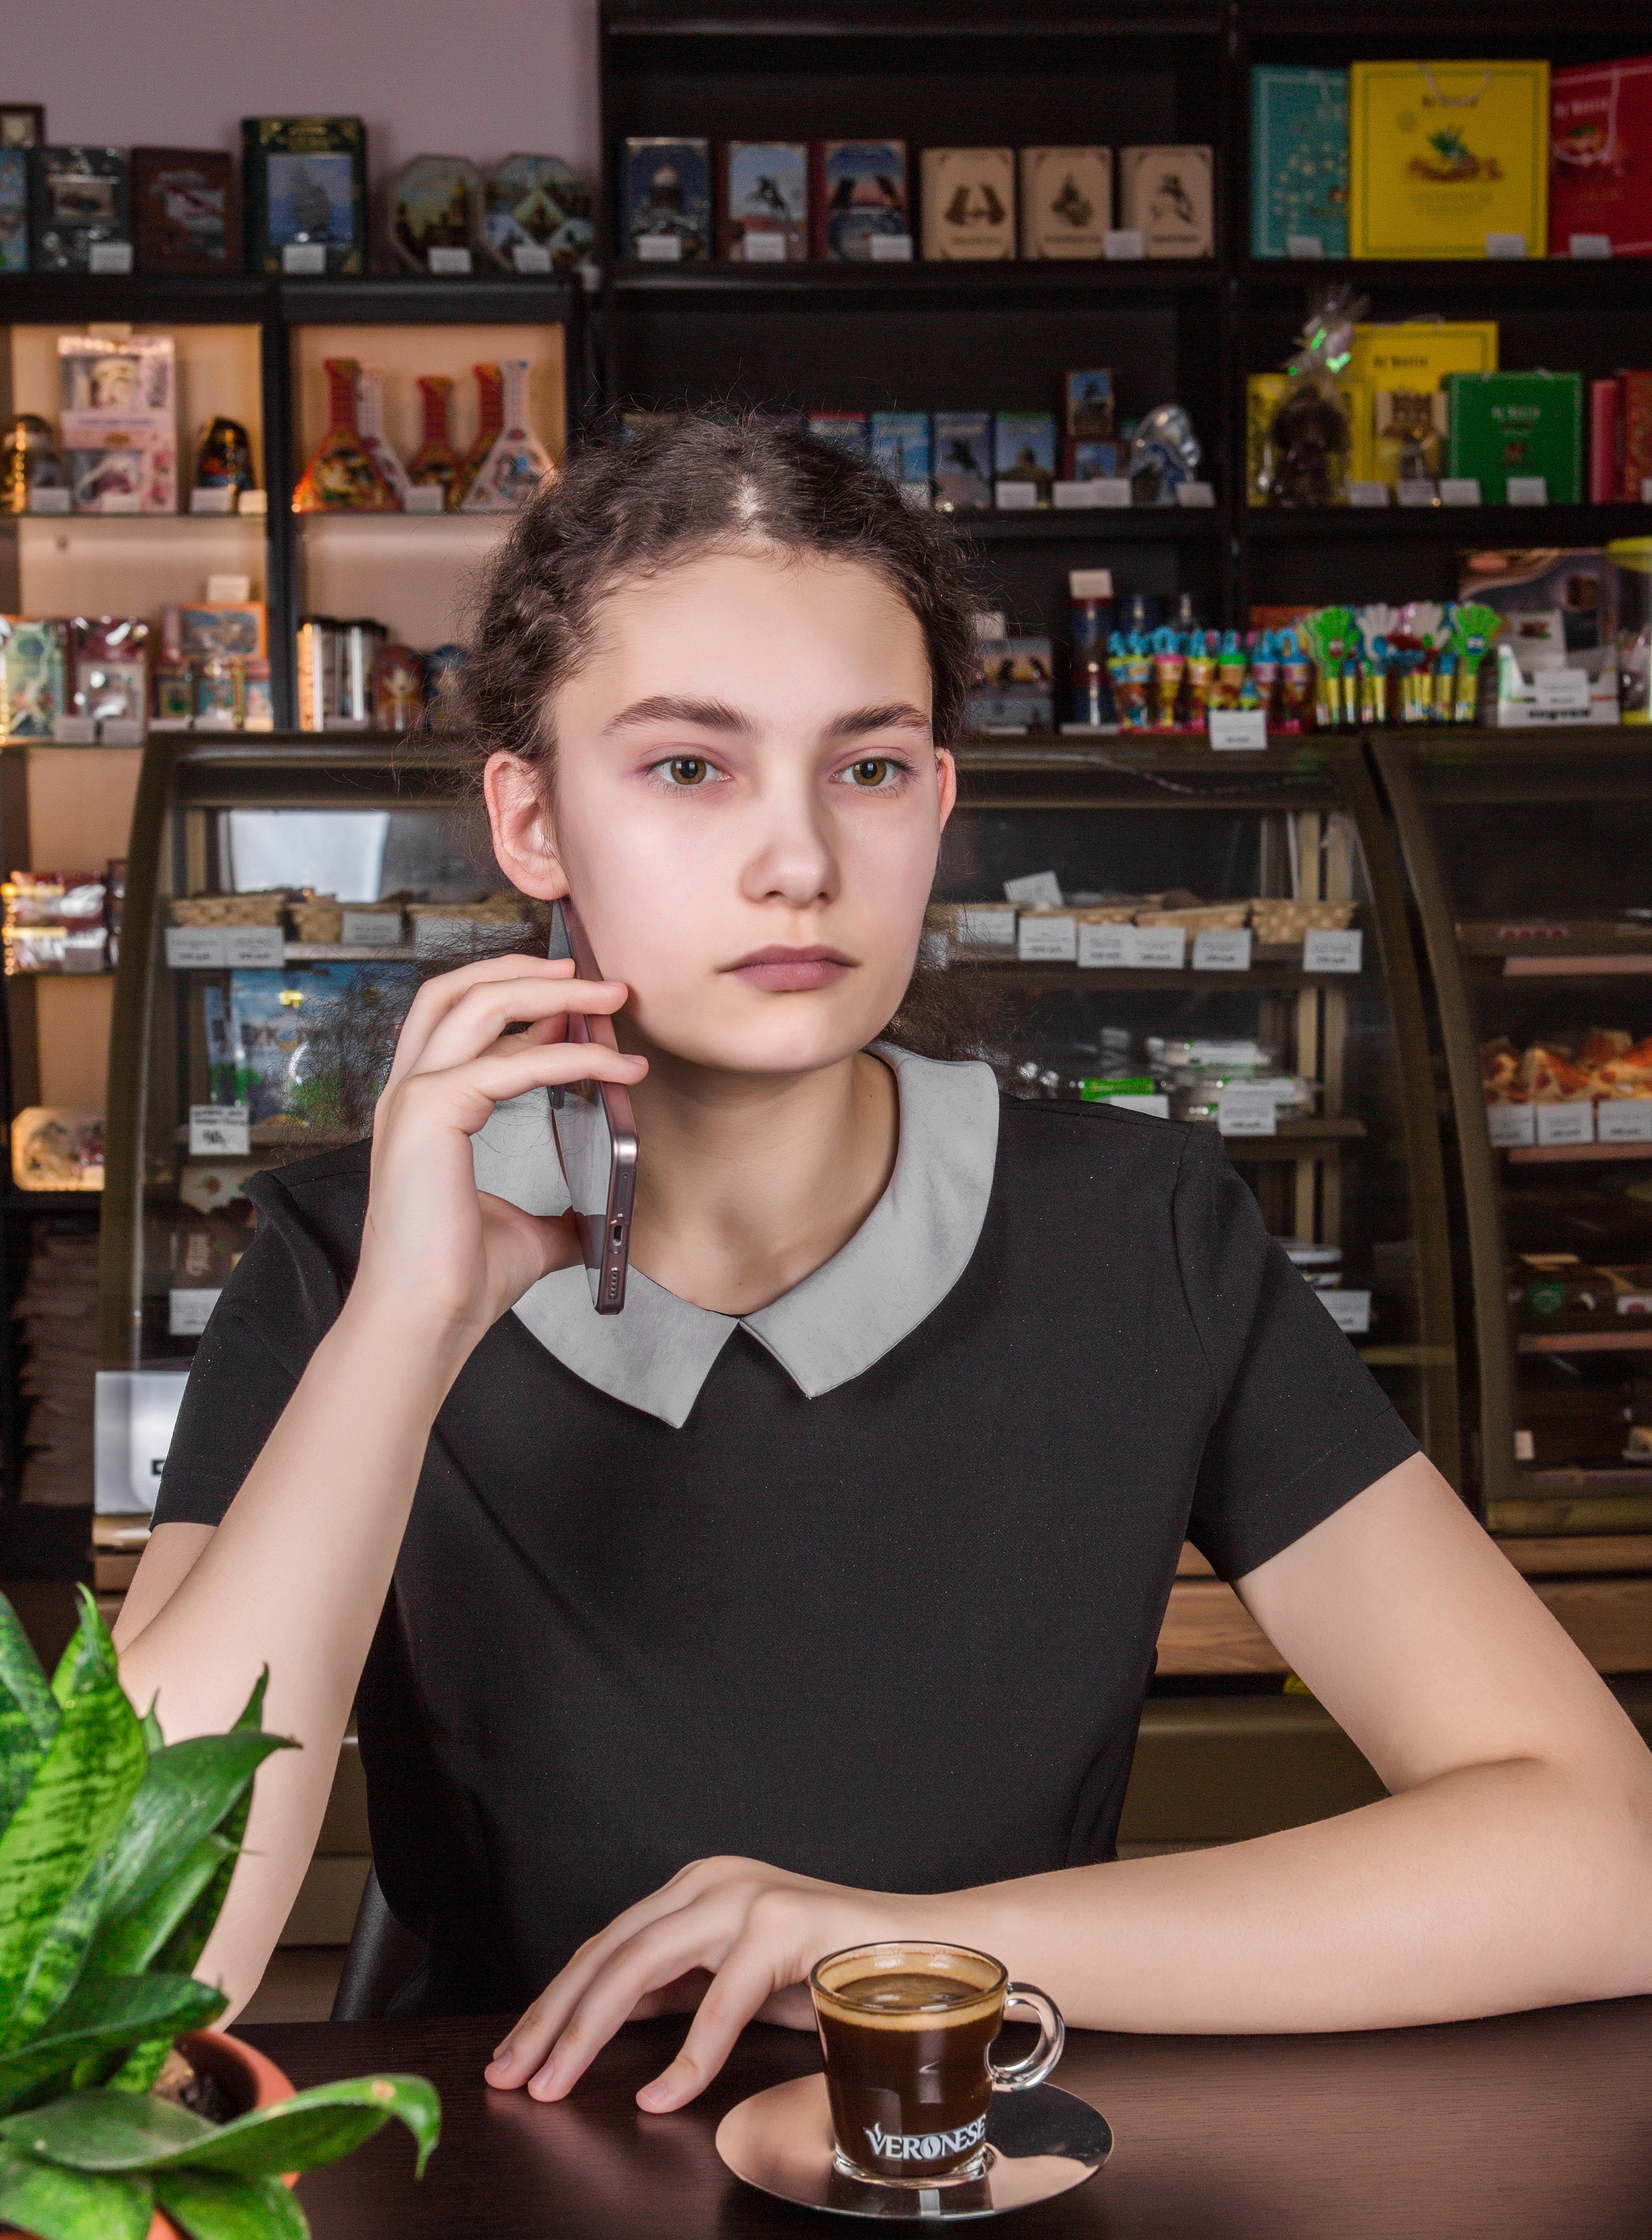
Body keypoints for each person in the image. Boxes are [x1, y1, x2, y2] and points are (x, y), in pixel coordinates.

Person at [117, 419, 1652, 2119]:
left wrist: (912, 1948)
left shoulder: (1141, 1234)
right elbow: (126, 1974)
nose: (800, 861)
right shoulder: (344, 1263)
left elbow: (1604, 1853)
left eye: (867, 766)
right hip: (485, 2235)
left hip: (979, 2190)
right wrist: (408, 1327)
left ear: (938, 801)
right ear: (531, 819)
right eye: (688, 768)